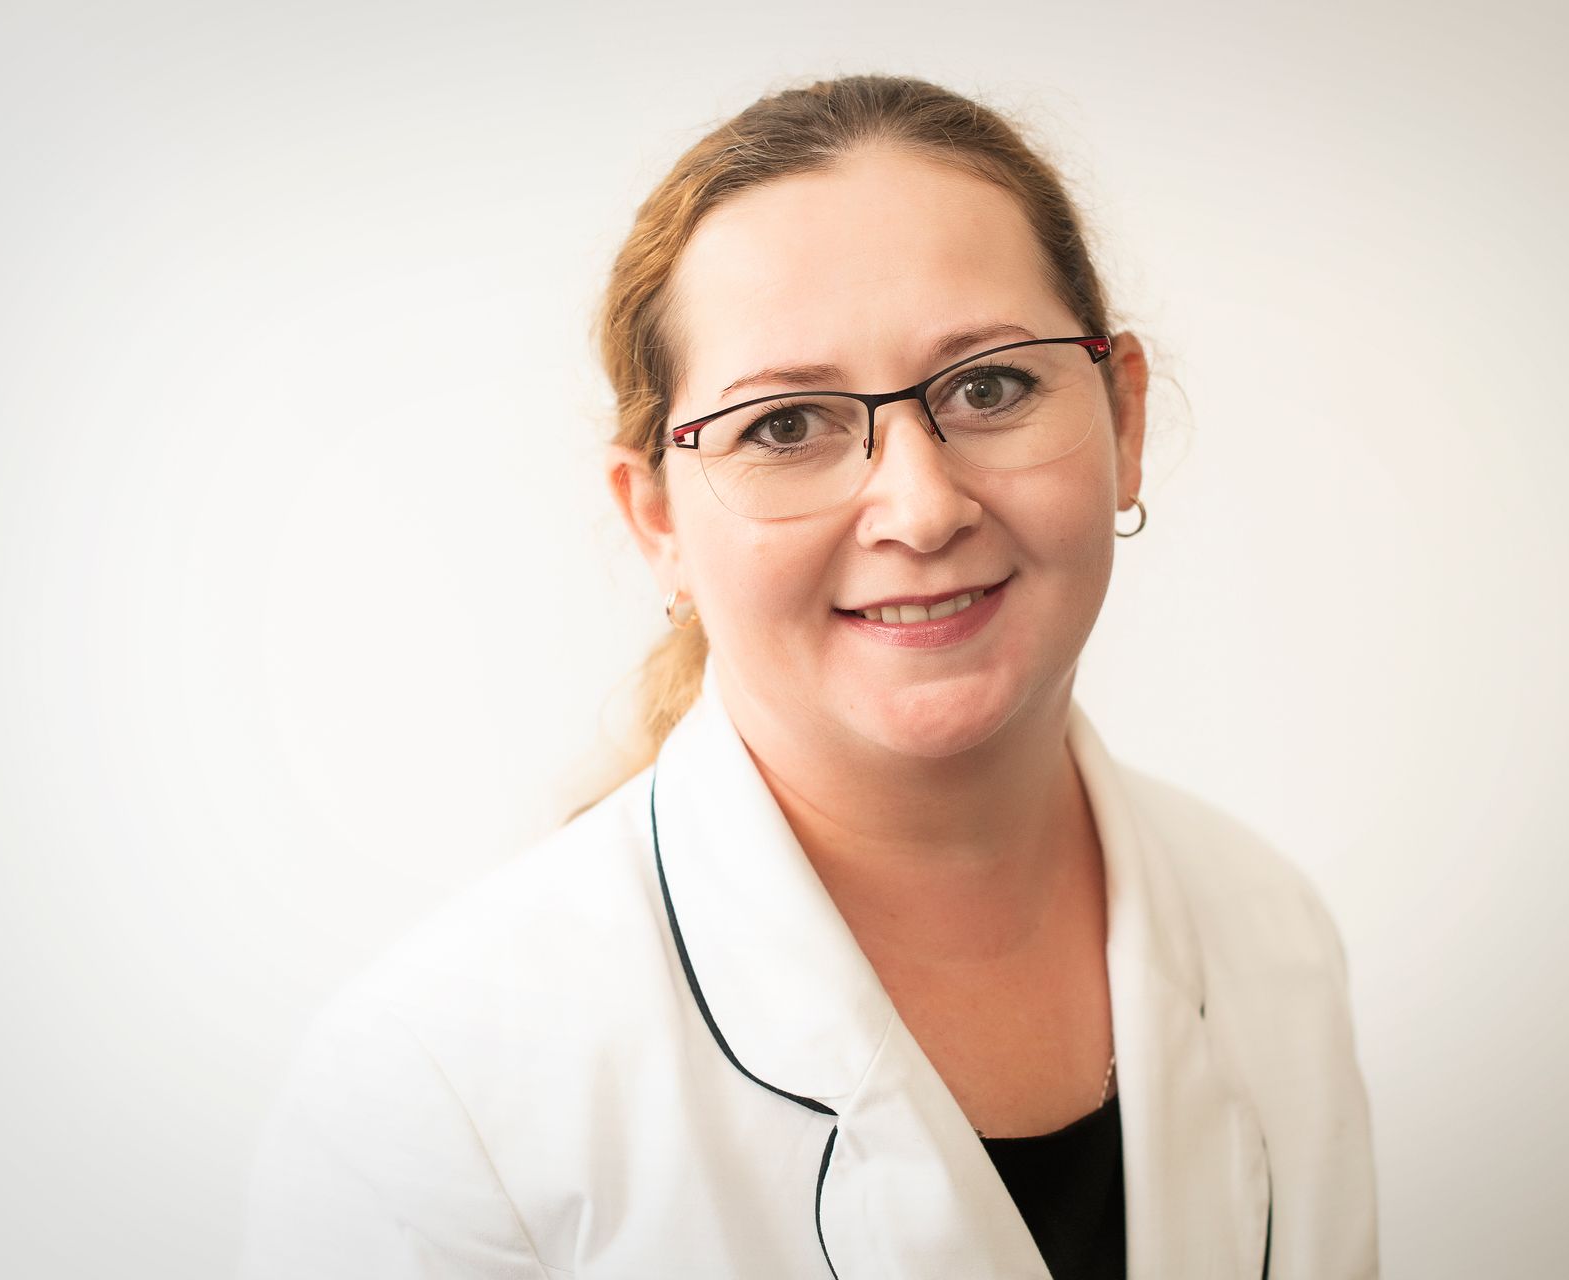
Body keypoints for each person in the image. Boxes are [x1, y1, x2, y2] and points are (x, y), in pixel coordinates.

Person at [239, 74, 1378, 1278]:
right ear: (656, 518)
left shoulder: (1274, 933)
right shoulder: (432, 1102)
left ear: (1123, 417)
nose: (923, 507)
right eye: (787, 424)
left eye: (990, 386)